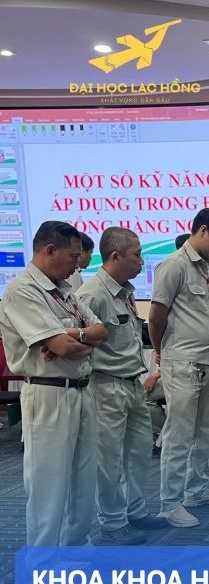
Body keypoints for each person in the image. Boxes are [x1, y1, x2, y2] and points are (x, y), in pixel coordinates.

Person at [0, 221, 107, 546]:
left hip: (81, 389)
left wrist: (75, 336)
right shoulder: (22, 290)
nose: (78, 264)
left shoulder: (64, 290)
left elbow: (101, 331)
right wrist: (79, 339)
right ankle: (44, 561)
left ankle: (77, 547)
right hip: (48, 393)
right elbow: (62, 347)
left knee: (83, 479)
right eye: (73, 256)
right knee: (48, 486)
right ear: (50, 250)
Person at [77, 227, 166, 544]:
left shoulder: (125, 291)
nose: (142, 261)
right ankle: (113, 523)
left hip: (132, 383)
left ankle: (135, 511)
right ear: (115, 256)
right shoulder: (91, 295)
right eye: (137, 255)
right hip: (105, 386)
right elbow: (79, 344)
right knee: (109, 460)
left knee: (139, 452)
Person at [149, 208, 209, 527]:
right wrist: (162, 353)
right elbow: (156, 315)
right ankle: (170, 504)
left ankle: (196, 490)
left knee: (205, 431)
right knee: (179, 435)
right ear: (202, 231)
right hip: (183, 361)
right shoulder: (174, 265)